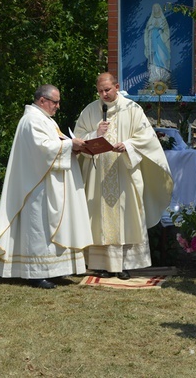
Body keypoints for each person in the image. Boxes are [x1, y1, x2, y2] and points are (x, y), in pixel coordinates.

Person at [0, 85, 93, 289]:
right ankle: (35, 272)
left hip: (47, 182)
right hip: (36, 186)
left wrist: (72, 147)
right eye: (55, 102)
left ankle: (54, 270)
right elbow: (42, 149)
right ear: (42, 100)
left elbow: (54, 145)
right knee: (39, 227)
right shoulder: (31, 120)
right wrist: (71, 145)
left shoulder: (45, 120)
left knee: (49, 227)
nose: (58, 106)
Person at [74, 73, 173, 279]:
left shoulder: (132, 109)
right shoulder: (90, 110)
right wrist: (94, 134)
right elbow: (78, 139)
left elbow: (147, 138)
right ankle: (100, 264)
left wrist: (127, 145)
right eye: (100, 91)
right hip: (97, 176)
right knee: (97, 219)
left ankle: (124, 265)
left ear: (117, 86)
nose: (104, 94)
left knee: (126, 217)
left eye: (107, 90)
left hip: (124, 173)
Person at [144, 3, 171, 83]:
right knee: (154, 60)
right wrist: (151, 29)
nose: (156, 10)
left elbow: (167, 32)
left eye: (157, 8)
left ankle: (163, 76)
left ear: (159, 9)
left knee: (162, 58)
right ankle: (154, 76)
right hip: (153, 44)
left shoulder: (163, 20)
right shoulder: (151, 20)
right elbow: (147, 31)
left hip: (161, 43)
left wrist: (161, 29)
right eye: (154, 8)